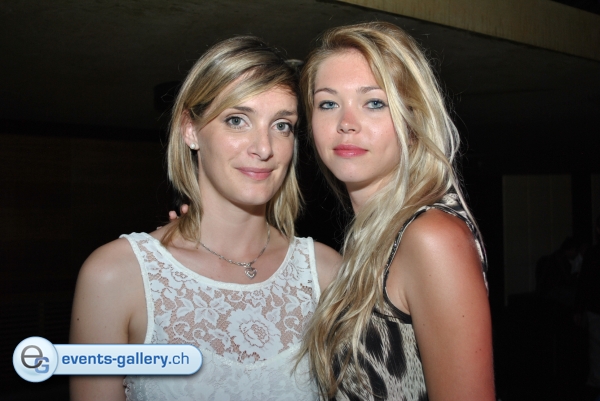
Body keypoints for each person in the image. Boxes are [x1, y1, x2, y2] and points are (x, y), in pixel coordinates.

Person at [70, 36, 340, 401]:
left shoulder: (326, 273)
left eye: (282, 125)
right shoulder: (114, 276)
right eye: (237, 120)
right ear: (190, 129)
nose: (264, 148)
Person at [297, 22, 495, 400]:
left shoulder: (431, 236)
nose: (346, 124)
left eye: (374, 102)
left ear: (413, 117)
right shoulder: (374, 238)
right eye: (328, 103)